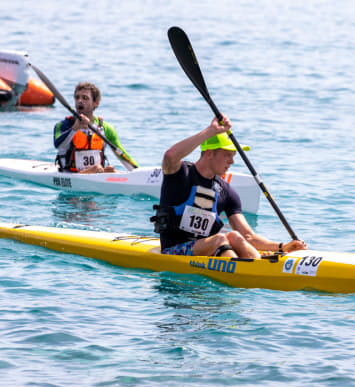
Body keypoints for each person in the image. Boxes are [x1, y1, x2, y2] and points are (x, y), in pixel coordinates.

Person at [151, 114, 307, 258]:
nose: (232, 161)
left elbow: (248, 236)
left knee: (235, 236)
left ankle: (258, 266)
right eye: (227, 154)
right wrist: (211, 131)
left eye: (233, 155)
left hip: (207, 250)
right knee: (220, 239)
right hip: (173, 250)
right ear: (209, 153)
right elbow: (170, 156)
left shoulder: (226, 191)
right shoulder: (181, 175)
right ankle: (244, 270)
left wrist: (282, 247)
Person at [53, 82, 139, 173]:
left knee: (111, 169)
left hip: (97, 173)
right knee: (97, 168)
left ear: (96, 103)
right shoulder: (64, 125)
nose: (80, 101)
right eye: (77, 97)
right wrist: (75, 128)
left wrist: (138, 171)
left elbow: (122, 154)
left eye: (85, 98)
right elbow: (58, 145)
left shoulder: (106, 128)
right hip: (70, 174)